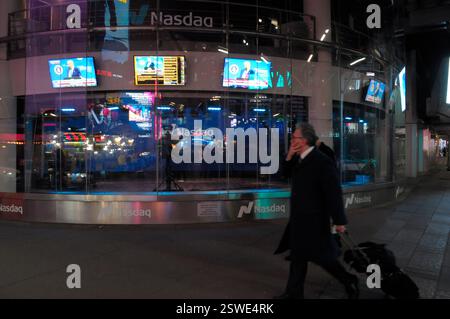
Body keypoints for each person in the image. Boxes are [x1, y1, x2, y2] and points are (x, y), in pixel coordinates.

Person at [274, 123, 358, 299]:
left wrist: (339, 220)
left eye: (294, 137)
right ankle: (293, 293)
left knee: (323, 258)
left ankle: (348, 279)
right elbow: (285, 174)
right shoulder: (299, 158)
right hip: (299, 219)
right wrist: (289, 155)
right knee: (298, 257)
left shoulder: (322, 161)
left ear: (303, 140)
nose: (292, 140)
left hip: (314, 220)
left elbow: (333, 192)